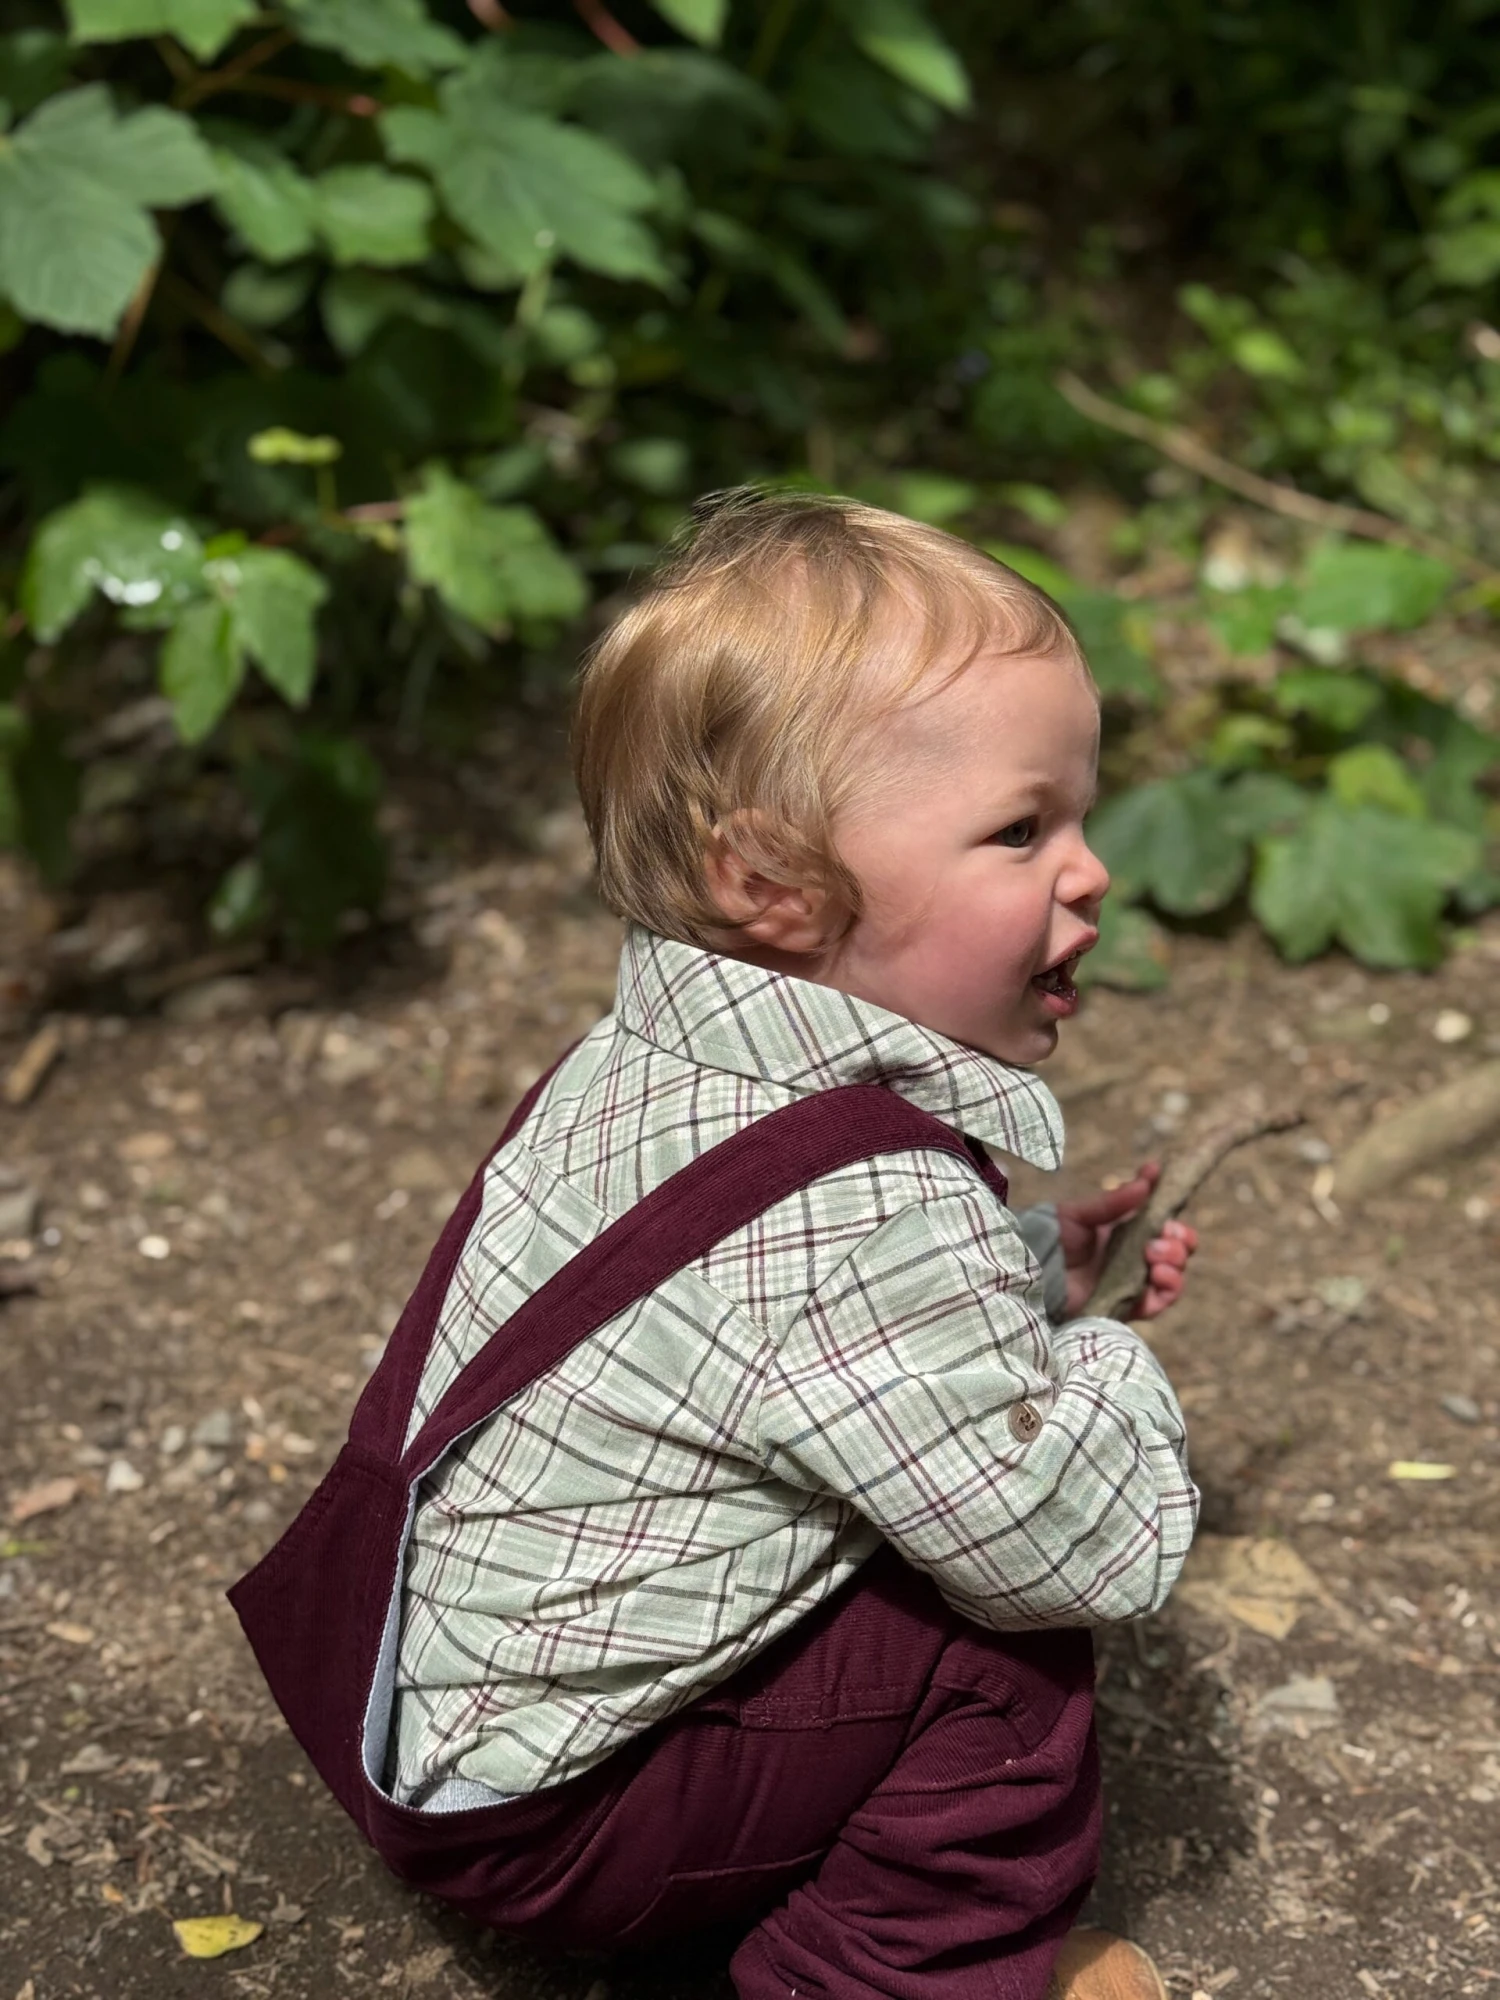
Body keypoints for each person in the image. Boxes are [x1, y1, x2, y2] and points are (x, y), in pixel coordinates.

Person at [388, 490, 1200, 2000]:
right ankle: (883, 1980)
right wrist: (1102, 1370)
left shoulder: (654, 1067)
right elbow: (1067, 1544)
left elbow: (763, 1346)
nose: (1087, 870)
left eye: (1077, 815)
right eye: (1021, 829)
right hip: (568, 1817)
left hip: (452, 1720)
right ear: (770, 883)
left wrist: (1025, 1277)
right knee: (1003, 1655)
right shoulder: (870, 1212)